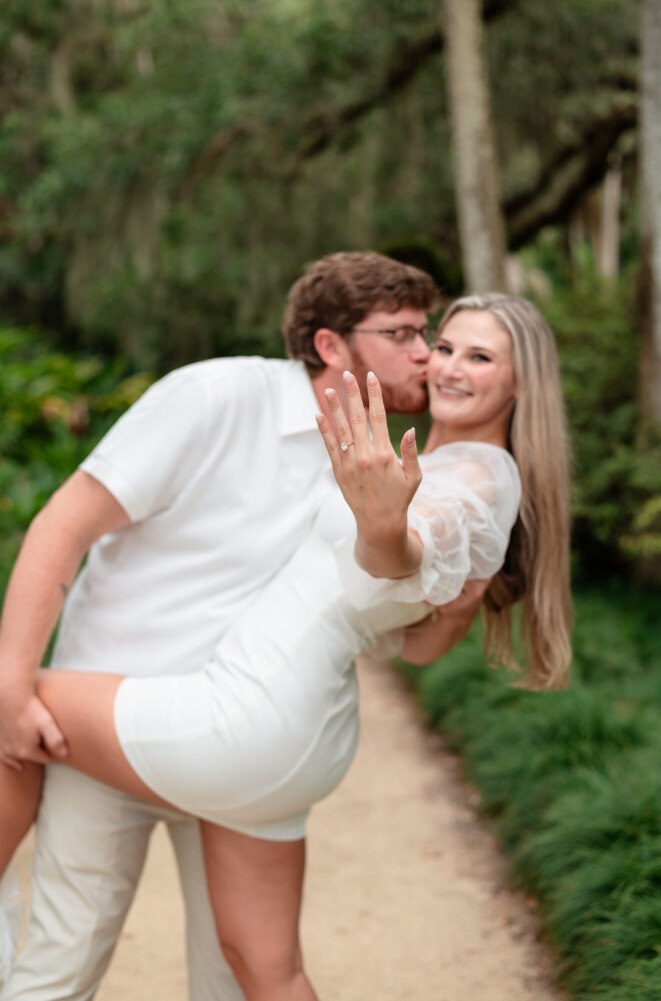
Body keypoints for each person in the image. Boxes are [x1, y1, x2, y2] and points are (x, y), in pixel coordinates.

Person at [0, 292, 572, 1000]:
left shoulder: (475, 477)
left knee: (14, 696)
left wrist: (387, 531)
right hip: (297, 727)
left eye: (478, 356)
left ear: (521, 383)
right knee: (264, 970)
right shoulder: (437, 462)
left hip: (248, 713)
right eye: (444, 345)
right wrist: (446, 591)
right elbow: (419, 646)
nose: (444, 364)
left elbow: (401, 553)